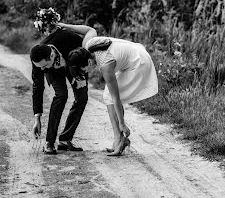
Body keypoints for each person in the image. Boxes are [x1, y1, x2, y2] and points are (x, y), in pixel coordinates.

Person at [61, 23, 158, 156]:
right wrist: (63, 25)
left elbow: (115, 97)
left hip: (139, 62)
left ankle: (119, 139)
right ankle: (119, 139)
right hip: (135, 53)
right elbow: (90, 29)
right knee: (108, 96)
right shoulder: (87, 47)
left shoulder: (105, 65)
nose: (85, 74)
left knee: (109, 97)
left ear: (88, 62)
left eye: (83, 71)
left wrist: (123, 124)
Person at [31, 8, 94, 154]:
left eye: (44, 66)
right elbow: (37, 87)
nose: (42, 70)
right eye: (40, 68)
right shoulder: (39, 62)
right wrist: (37, 117)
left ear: (51, 56)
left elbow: (85, 52)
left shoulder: (66, 37)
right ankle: (49, 142)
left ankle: (66, 139)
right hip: (55, 72)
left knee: (82, 96)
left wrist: (81, 75)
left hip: (72, 64)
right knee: (61, 95)